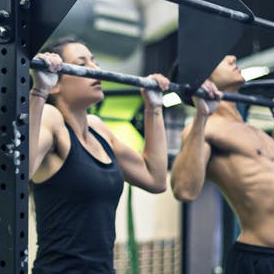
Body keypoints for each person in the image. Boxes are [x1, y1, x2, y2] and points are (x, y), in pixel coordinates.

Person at [28, 37, 170, 273]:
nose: (96, 70)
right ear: (56, 84)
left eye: (94, 62)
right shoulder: (52, 120)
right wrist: (39, 91)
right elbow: (20, 171)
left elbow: (155, 178)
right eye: (82, 64)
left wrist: (153, 108)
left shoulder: (98, 129)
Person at [170, 55, 274, 273]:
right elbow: (184, 190)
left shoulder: (253, 131)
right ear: (201, 77)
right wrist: (202, 114)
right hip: (258, 260)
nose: (232, 57)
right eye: (220, 59)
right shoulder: (207, 128)